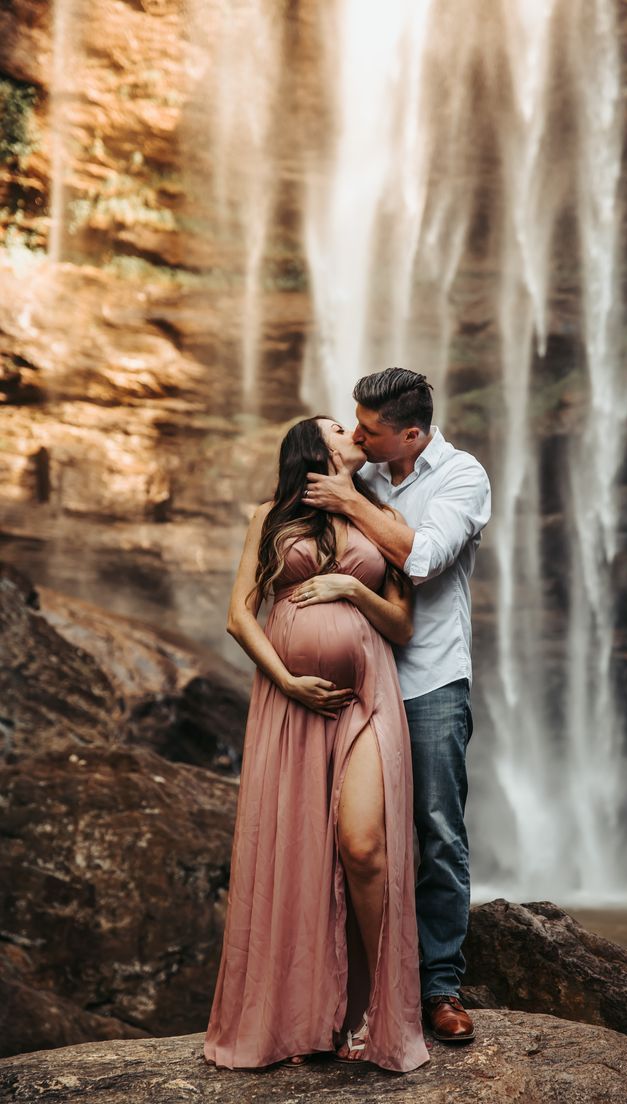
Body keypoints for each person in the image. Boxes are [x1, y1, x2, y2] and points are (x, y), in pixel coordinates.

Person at [203, 416, 429, 1073]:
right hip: (291, 701)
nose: (353, 429)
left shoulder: (380, 519)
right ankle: (311, 1016)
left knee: (363, 847)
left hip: (368, 696)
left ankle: (375, 1010)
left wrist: (353, 587)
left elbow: (404, 626)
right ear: (313, 447)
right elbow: (239, 613)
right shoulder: (270, 515)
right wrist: (287, 680)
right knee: (296, 853)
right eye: (338, 425)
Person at [303, 368, 491, 1044]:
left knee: (438, 832)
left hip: (429, 682)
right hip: (355, 687)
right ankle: (357, 989)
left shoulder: (462, 477)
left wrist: (351, 505)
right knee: (354, 841)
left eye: (369, 430)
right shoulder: (363, 470)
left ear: (411, 434)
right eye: (353, 424)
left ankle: (438, 987)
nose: (356, 436)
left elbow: (423, 559)